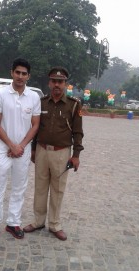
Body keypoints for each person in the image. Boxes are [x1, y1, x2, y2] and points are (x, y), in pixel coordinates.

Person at [23, 66, 84, 241]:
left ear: (65, 84)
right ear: (49, 83)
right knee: (40, 188)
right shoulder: (41, 103)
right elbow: (35, 127)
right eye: (54, 81)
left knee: (57, 190)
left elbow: (78, 132)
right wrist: (34, 149)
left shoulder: (73, 105)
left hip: (61, 153)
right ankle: (38, 221)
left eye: (60, 81)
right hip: (42, 150)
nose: (57, 84)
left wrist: (76, 155)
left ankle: (55, 224)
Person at [0, 58, 41, 241]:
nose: (20, 76)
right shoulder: (1, 94)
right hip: (3, 148)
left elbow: (35, 125)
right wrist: (11, 145)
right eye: (17, 72)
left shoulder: (33, 97)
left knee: (19, 187)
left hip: (23, 149)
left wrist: (21, 146)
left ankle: (13, 222)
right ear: (12, 73)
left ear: (28, 76)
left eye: (24, 73)